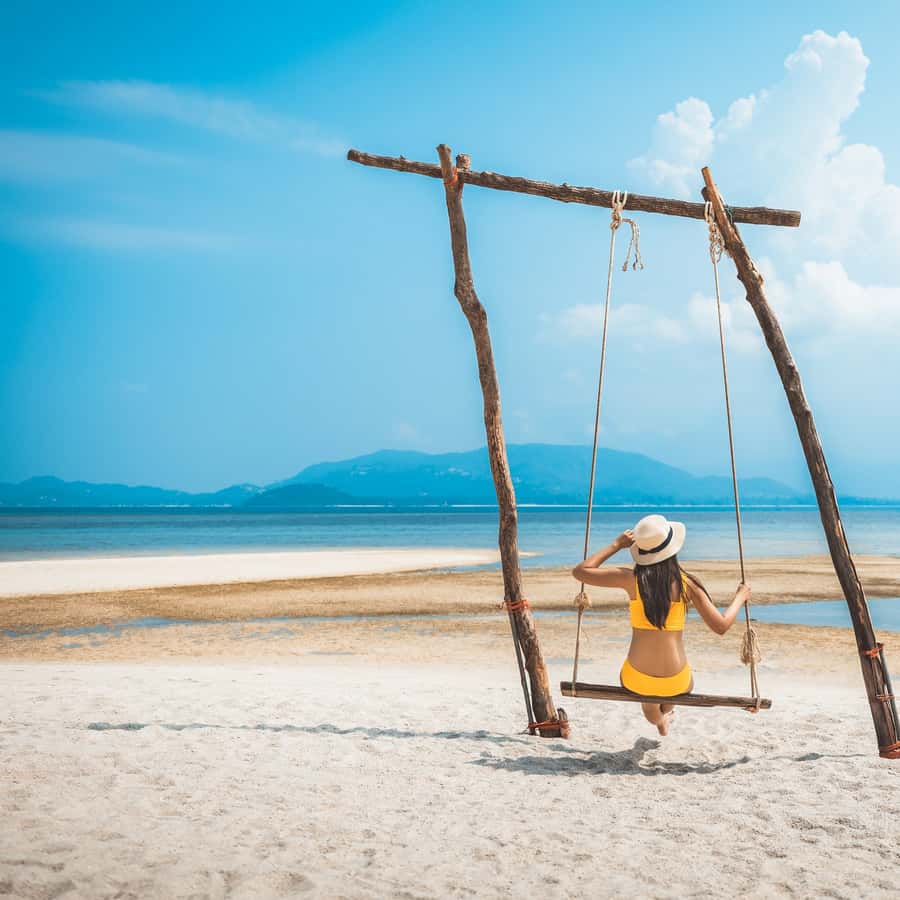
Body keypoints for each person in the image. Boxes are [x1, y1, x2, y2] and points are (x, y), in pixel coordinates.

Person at [571, 513, 752, 736]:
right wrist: (740, 597)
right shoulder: (688, 584)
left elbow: (580, 572)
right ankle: (665, 715)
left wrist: (616, 545)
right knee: (668, 699)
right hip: (677, 679)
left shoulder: (631, 579)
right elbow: (721, 626)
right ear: (672, 549)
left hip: (637, 677)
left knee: (651, 710)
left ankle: (661, 720)